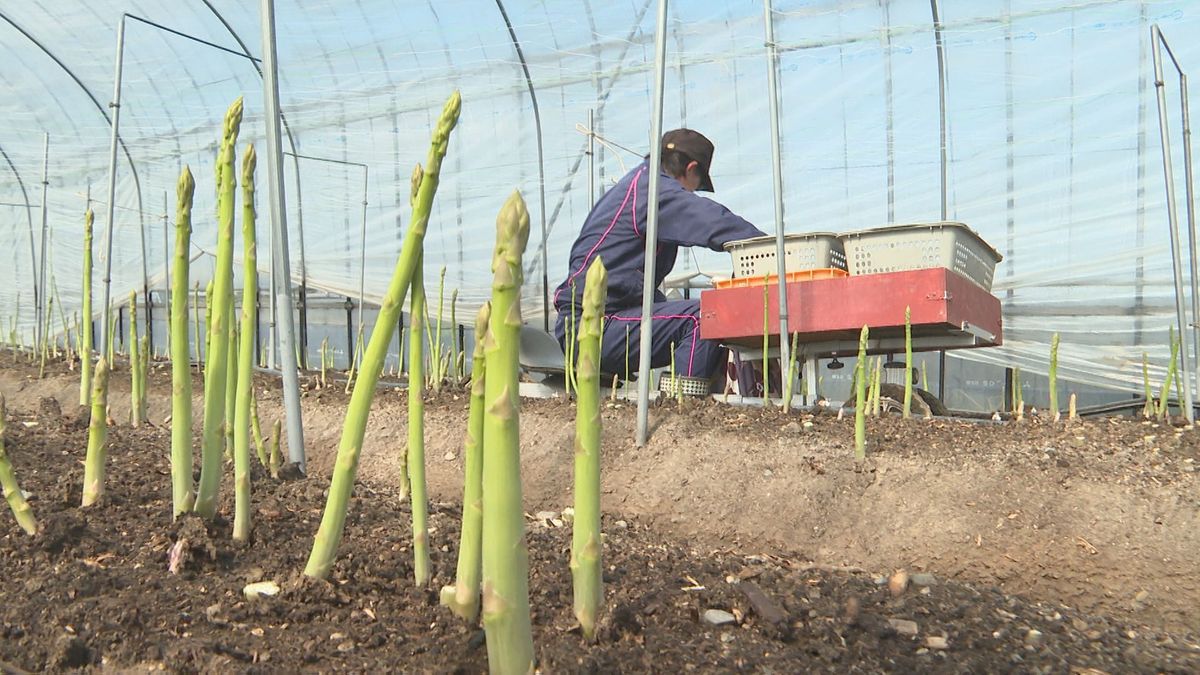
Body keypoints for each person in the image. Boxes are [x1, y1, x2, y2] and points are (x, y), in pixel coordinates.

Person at [553, 128, 766, 384]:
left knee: (696, 315)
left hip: (599, 320)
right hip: (592, 326)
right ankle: (682, 408)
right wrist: (770, 251)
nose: (692, 194)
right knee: (706, 317)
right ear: (690, 169)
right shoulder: (654, 191)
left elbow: (630, 281)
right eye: (696, 187)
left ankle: (688, 402)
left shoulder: (638, 184)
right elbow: (716, 223)